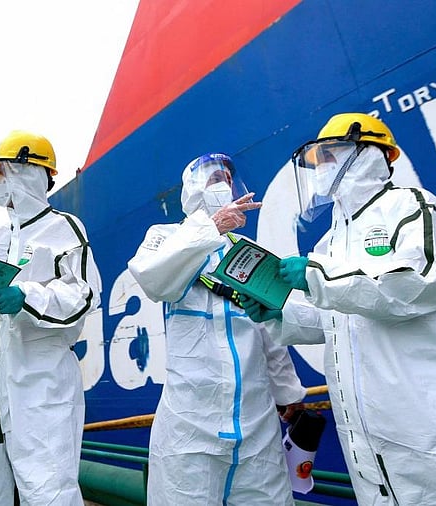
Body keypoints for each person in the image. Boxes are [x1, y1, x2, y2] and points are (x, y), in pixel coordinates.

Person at [261, 112, 436, 505]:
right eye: (318, 161)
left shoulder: (412, 207)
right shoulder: (329, 243)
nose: (323, 169)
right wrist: (278, 314)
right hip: (371, 444)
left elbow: (420, 284)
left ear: (372, 154)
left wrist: (318, 277)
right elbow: (338, 319)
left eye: (331, 155)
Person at [127, 153, 306, 505]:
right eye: (213, 180)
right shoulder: (165, 236)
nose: (223, 186)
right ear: (192, 190)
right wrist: (210, 229)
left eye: (227, 178)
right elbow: (152, 278)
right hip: (190, 424)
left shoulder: (246, 251)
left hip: (256, 425)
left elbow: (268, 326)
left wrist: (289, 393)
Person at [0, 130, 101, 505]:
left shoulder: (64, 228)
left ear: (27, 172)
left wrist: (26, 297)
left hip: (39, 391)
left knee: (48, 492)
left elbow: (85, 294)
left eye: (1, 172)